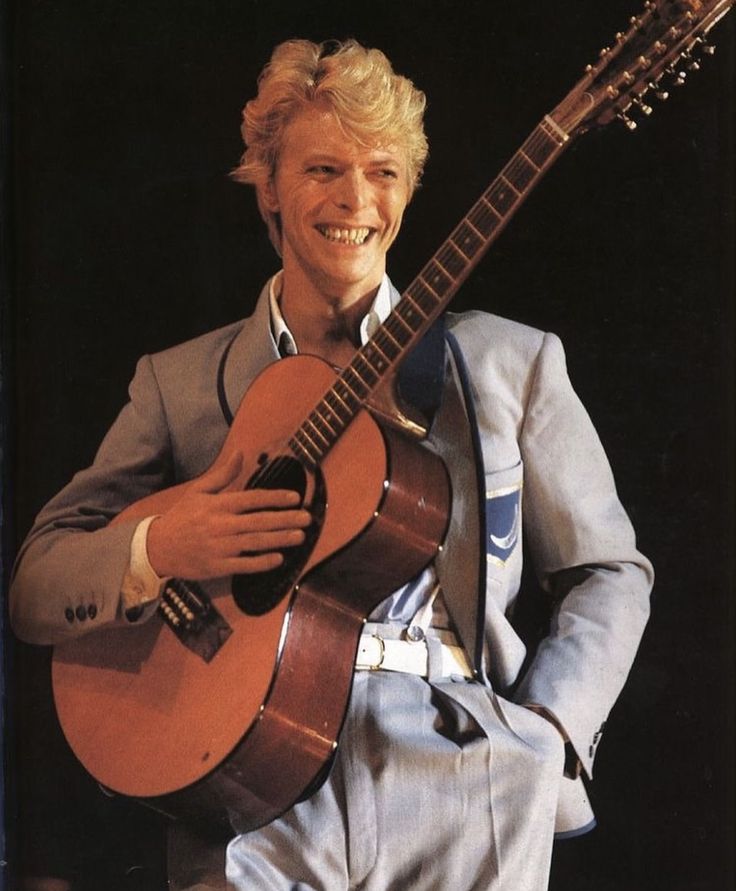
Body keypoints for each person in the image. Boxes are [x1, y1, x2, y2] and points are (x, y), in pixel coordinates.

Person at [10, 38, 653, 891]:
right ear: (268, 184)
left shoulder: (508, 365)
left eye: (383, 172)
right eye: (322, 168)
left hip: (464, 776)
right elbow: (35, 584)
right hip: (247, 791)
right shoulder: (182, 384)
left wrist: (545, 732)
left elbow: (609, 569)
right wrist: (160, 547)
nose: (356, 199)